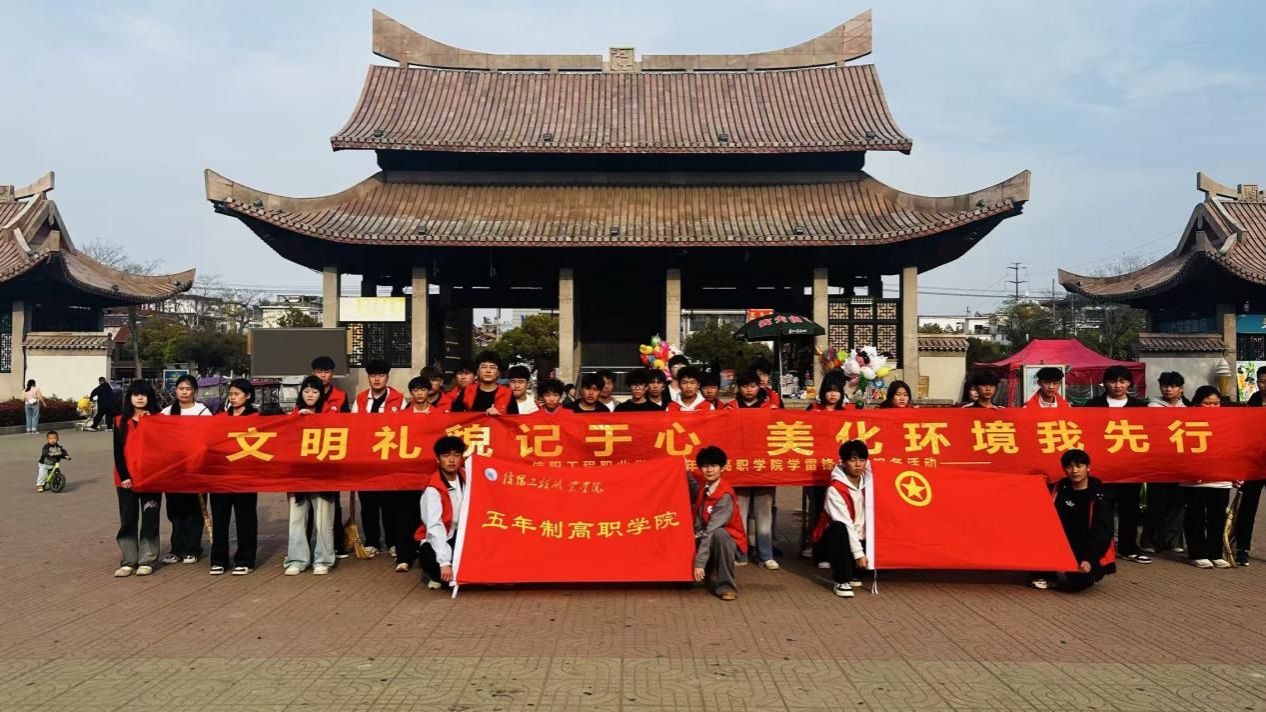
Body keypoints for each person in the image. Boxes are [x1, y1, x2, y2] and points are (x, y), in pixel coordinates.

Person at [1083, 365, 1151, 564]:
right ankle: (1102, 548)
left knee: (1130, 508)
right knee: (1103, 509)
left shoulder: (1139, 407)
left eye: (1123, 381)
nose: (1118, 386)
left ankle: (1128, 547)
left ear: (1129, 383)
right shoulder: (1093, 405)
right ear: (1105, 383)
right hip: (1102, 467)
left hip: (1130, 467)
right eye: (1113, 381)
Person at [1031, 449, 1115, 592]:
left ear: (1088, 467)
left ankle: (1088, 571)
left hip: (1085, 547)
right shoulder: (1060, 488)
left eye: (1079, 466)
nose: (1074, 470)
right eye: (1069, 467)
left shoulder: (1099, 496)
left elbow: (1102, 533)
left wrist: (1090, 559)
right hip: (1061, 543)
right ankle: (1049, 575)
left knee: (1079, 582)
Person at [352, 359, 405, 558]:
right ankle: (372, 541)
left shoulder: (399, 399)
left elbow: (405, 428)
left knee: (390, 504)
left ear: (387, 377)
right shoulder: (361, 399)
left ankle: (393, 541)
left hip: (389, 461)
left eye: (381, 375)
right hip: (366, 461)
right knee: (368, 504)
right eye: (373, 375)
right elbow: (353, 427)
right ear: (368, 377)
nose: (377, 379)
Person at [286, 376, 337, 575]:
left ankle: (323, 559)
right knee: (296, 519)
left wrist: (316, 421)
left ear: (321, 394)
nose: (310, 395)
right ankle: (297, 559)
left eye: (315, 391)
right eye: (306, 391)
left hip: (323, 474)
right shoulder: (293, 414)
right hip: (297, 474)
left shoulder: (330, 414)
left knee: (324, 520)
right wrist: (297, 420)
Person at [160, 374, 213, 566]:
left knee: (194, 509)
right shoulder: (166, 412)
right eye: (181, 388)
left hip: (196, 468)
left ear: (195, 391)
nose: (184, 392)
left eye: (188, 389)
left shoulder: (203, 411)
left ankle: (193, 548)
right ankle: (176, 549)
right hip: (173, 469)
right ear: (175, 390)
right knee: (175, 510)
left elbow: (208, 438)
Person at [1180, 386, 1234, 569]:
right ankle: (1197, 553)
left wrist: (1236, 472)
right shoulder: (1186, 421)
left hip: (1221, 479)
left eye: (1216, 403)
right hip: (1195, 480)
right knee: (1195, 516)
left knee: (1217, 517)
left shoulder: (1227, 422)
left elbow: (1234, 449)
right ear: (1197, 404)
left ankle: (1215, 553)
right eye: (1207, 403)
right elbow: (1180, 449)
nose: (1212, 407)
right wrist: (1190, 470)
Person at [210, 378, 259, 575]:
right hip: (221, 476)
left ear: (248, 396)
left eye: (237, 394)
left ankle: (245, 559)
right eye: (231, 394)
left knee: (245, 519)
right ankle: (219, 559)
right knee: (220, 519)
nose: (233, 397)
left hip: (246, 477)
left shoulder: (258, 418)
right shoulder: (220, 418)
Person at [113, 380, 162, 577]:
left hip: (151, 478)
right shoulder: (119, 421)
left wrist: (151, 424)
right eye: (136, 394)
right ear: (130, 397)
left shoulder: (159, 420)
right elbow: (118, 451)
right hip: (126, 480)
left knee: (150, 519)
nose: (140, 398)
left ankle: (148, 559)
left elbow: (163, 447)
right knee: (128, 519)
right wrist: (124, 476)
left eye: (144, 394)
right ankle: (128, 560)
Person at [812, 439, 870, 598]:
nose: (858, 464)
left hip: (859, 538)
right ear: (843, 463)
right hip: (835, 540)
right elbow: (846, 524)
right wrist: (859, 554)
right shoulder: (835, 489)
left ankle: (854, 571)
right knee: (840, 528)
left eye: (862, 460)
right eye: (853, 460)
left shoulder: (869, 483)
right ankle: (841, 580)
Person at [688, 446, 746, 601]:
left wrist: (699, 563)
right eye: (705, 466)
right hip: (705, 536)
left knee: (719, 534)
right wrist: (680, 468)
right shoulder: (704, 486)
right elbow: (693, 486)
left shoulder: (724, 495)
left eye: (713, 466)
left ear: (722, 468)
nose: (709, 470)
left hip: (727, 540)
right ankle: (702, 575)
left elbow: (711, 531)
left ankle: (727, 586)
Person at [1142, 371, 1188, 556]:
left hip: (1180, 462)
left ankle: (1173, 540)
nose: (1169, 389)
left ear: (1181, 389)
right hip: (1158, 462)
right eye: (1165, 386)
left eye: (1173, 386)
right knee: (1156, 502)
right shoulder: (1152, 407)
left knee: (1177, 503)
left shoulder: (1187, 409)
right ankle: (1151, 541)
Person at [312, 355, 351, 558]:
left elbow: (348, 425)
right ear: (313, 373)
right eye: (319, 372)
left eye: (326, 372)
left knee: (332, 499)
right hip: (310, 455)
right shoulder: (308, 393)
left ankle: (336, 544)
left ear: (332, 374)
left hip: (332, 455)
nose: (323, 376)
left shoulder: (341, 396)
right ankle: (310, 546)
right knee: (308, 503)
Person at [418, 436, 467, 590]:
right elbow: (435, 527)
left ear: (462, 458)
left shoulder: (469, 478)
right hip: (441, 537)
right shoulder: (433, 489)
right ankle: (434, 573)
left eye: (456, 455)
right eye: (446, 456)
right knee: (436, 565)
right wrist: (444, 562)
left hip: (464, 535)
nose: (451, 460)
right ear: (437, 459)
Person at [1234, 366, 1266, 566]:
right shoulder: (1251, 404)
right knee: (1247, 507)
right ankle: (1242, 548)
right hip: (1253, 464)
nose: (1264, 385)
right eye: (1261, 381)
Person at [451, 350, 512, 415]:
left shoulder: (508, 393)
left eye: (492, 367)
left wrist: (500, 416)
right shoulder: (467, 391)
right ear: (477, 371)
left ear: (498, 372)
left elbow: (515, 418)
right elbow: (454, 416)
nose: (488, 371)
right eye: (484, 367)